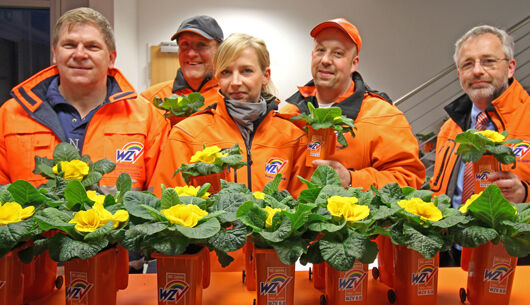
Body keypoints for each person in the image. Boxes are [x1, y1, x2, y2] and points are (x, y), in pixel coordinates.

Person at [150, 33, 310, 271]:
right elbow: (162, 210)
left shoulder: (292, 136)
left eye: (246, 71)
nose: (235, 82)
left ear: (265, 75)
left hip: (272, 272)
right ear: (217, 77)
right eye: (226, 72)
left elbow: (303, 216)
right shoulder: (187, 134)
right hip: (208, 275)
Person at [280, 18, 425, 190]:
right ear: (312, 56)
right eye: (320, 50)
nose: (325, 60)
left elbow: (408, 179)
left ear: (354, 63)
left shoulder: (385, 116)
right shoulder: (287, 115)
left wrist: (351, 180)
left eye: (338, 53)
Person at [430, 25, 530, 266]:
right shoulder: (449, 129)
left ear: (510, 68)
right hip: (453, 257)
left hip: (514, 258)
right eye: (467, 64)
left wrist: (525, 193)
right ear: (459, 75)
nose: (477, 71)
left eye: (488, 61)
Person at [141, 15, 223, 110]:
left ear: (219, 50)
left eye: (201, 45)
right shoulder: (150, 100)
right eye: (184, 44)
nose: (191, 54)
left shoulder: (230, 98)